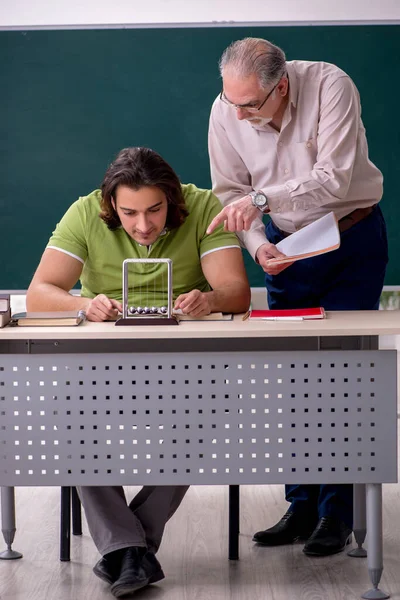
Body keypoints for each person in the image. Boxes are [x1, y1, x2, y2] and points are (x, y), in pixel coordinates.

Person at [26, 146, 250, 597]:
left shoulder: (205, 205)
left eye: (154, 210)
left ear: (172, 197)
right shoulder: (85, 212)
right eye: (129, 213)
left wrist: (209, 300)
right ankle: (135, 549)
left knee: (207, 406)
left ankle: (125, 547)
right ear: (111, 205)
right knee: (66, 412)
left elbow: (237, 292)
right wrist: (84, 305)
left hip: (185, 366)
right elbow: (39, 293)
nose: (143, 225)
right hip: (99, 363)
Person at [207, 37, 388, 557]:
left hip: (349, 236)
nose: (238, 115)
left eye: (249, 105)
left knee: (345, 378)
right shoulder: (226, 107)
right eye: (230, 102)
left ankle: (338, 510)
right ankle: (302, 503)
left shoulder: (331, 85)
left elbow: (334, 180)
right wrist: (260, 246)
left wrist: (261, 199)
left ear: (281, 86)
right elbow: (228, 193)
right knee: (296, 382)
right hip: (286, 249)